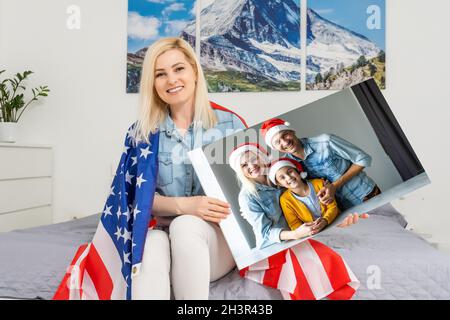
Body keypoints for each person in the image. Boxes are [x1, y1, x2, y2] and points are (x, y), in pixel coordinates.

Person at [131, 37, 247, 300]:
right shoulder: (143, 134)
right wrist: (186, 205)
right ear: (153, 83)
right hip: (162, 233)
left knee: (185, 226)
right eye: (161, 74)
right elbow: (135, 200)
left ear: (195, 71)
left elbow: (260, 191)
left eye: (179, 69)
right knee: (147, 244)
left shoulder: (231, 125)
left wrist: (329, 208)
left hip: (216, 241)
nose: (171, 80)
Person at [229, 143, 364, 250]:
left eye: (254, 159)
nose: (252, 165)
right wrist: (295, 234)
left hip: (309, 234)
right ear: (240, 171)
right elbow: (265, 234)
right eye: (244, 165)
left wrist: (328, 186)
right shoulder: (248, 197)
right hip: (278, 247)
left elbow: (309, 185)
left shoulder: (281, 176)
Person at [260, 118, 381, 210]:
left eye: (285, 135)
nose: (285, 142)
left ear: (292, 131)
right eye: (277, 142)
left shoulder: (326, 141)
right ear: (275, 148)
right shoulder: (287, 166)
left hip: (366, 195)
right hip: (339, 209)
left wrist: (335, 186)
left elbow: (363, 159)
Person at [268, 157, 339, 235]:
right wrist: (308, 231)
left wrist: (325, 220)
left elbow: (333, 207)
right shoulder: (285, 200)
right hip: (314, 233)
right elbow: (294, 223)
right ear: (279, 184)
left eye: (290, 172)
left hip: (336, 222)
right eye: (282, 178)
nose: (289, 177)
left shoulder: (319, 184)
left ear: (297, 171)